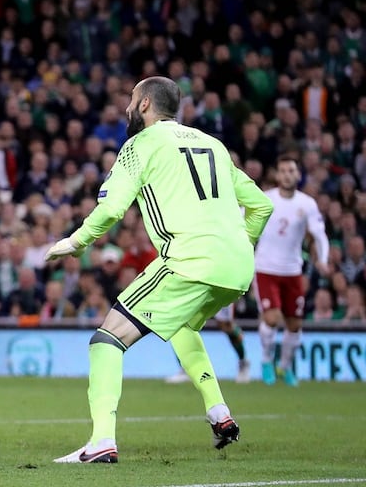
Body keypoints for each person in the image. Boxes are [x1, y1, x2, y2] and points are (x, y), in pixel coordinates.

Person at [44, 76, 273, 464]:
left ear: (146, 104)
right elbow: (262, 206)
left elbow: (113, 208)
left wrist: (76, 241)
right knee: (182, 326)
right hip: (237, 267)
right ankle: (218, 410)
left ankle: (101, 441)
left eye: (132, 100)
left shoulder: (141, 144)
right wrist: (239, 245)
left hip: (189, 260)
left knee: (106, 339)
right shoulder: (212, 144)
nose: (127, 108)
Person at [254, 157, 329, 386]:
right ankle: (266, 361)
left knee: (294, 325)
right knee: (271, 318)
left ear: (298, 175)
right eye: (283, 171)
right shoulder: (265, 198)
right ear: (277, 175)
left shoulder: (307, 204)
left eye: (291, 170)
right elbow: (239, 217)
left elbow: (319, 235)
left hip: (292, 270)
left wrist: (323, 260)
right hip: (266, 268)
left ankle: (285, 367)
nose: (287, 175)